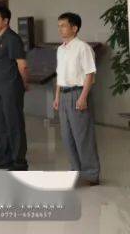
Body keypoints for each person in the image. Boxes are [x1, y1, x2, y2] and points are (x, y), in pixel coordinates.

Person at [53, 12, 100, 185]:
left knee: (83, 137)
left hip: (78, 93)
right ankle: (75, 171)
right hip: (64, 95)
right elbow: (60, 75)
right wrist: (57, 96)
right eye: (59, 26)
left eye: (63, 25)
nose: (60, 29)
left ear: (74, 28)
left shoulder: (83, 48)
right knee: (67, 137)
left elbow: (90, 73)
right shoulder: (60, 49)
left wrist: (83, 97)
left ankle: (91, 175)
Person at [0, 6, 29, 170]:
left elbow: (22, 65)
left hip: (10, 89)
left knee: (14, 124)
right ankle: (6, 157)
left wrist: (24, 83)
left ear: (6, 21)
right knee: (2, 125)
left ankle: (19, 161)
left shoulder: (12, 38)